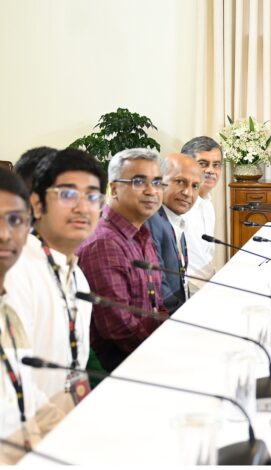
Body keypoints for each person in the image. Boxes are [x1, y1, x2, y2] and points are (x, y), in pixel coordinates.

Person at [5, 149, 106, 402]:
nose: (83, 208)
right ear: (37, 205)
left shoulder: (77, 275)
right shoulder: (16, 271)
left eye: (92, 197)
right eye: (67, 195)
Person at [77, 149, 168, 373]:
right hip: (119, 368)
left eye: (157, 182)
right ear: (114, 188)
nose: (151, 191)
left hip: (147, 353)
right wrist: (165, 353)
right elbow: (118, 329)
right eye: (139, 182)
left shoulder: (141, 234)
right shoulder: (104, 243)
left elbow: (157, 304)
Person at [0, 169, 66, 464]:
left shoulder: (8, 307)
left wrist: (68, 429)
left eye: (15, 220)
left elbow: (23, 389)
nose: (5, 234)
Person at [146, 153, 202, 312]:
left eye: (195, 186)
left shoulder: (176, 219)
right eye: (180, 182)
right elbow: (157, 283)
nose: (188, 193)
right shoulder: (151, 220)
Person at [181, 136, 222, 294]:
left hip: (207, 281)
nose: (211, 171)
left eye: (216, 165)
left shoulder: (208, 203)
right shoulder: (180, 205)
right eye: (203, 164)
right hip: (187, 287)